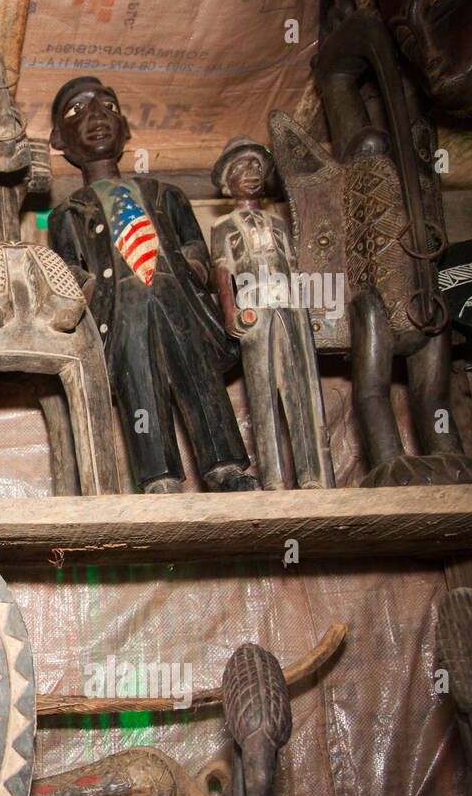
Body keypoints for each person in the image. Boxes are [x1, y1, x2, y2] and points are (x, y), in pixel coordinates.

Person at [48, 77, 258, 493]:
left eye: (108, 105)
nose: (96, 118)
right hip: (118, 306)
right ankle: (158, 474)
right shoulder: (66, 213)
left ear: (126, 128)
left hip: (177, 294)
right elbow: (66, 268)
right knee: (137, 378)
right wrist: (92, 293)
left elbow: (195, 243)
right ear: (59, 139)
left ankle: (226, 464)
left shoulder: (166, 193)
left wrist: (192, 270)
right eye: (77, 111)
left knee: (198, 373)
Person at [211, 136, 333, 489]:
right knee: (262, 394)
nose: (251, 174)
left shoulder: (279, 223)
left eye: (257, 167)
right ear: (225, 183)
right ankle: (274, 478)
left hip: (290, 308)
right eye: (241, 168)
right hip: (255, 309)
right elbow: (223, 272)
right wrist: (231, 314)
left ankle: (313, 475)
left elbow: (295, 267)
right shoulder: (224, 226)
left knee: (302, 390)